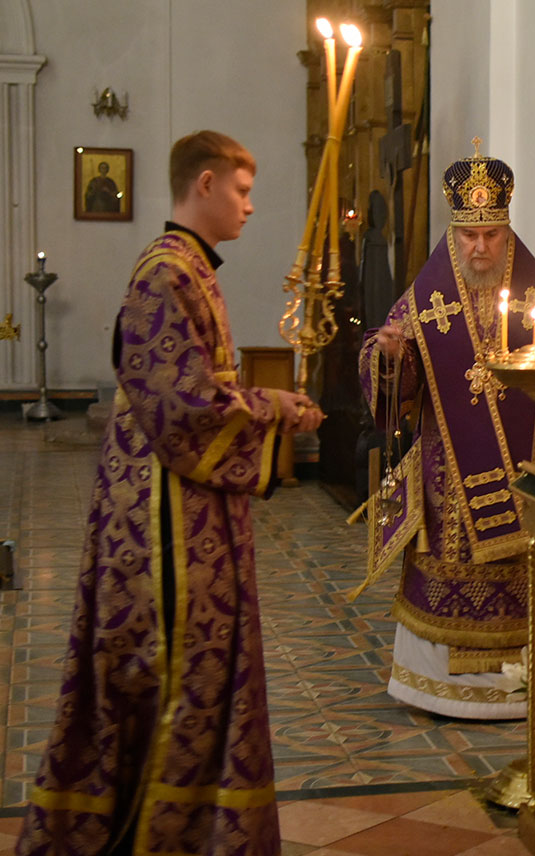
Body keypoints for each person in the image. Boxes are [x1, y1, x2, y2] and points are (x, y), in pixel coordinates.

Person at [18, 130, 322, 856]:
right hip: (163, 531)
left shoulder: (190, 269)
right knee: (175, 679)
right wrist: (274, 407)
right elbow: (183, 410)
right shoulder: (166, 273)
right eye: (243, 191)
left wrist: (261, 405)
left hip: (187, 514)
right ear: (206, 183)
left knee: (197, 680)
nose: (251, 206)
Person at [359, 141, 535, 719]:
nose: (480, 246)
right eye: (469, 235)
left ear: (506, 231)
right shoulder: (426, 297)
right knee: (449, 549)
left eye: (491, 234)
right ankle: (434, 683)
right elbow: (390, 369)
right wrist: (390, 355)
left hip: (522, 470)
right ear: (453, 233)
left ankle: (522, 682)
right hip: (448, 472)